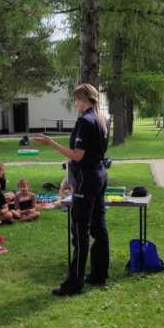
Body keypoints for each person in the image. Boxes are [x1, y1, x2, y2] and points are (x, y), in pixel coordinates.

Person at [35, 83, 110, 296]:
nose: (74, 103)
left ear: (84, 99)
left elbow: (78, 155)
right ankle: (98, 275)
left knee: (80, 231)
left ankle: (74, 283)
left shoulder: (86, 121)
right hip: (99, 175)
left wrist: (51, 143)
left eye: (76, 99)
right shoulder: (101, 119)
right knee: (98, 227)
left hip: (87, 180)